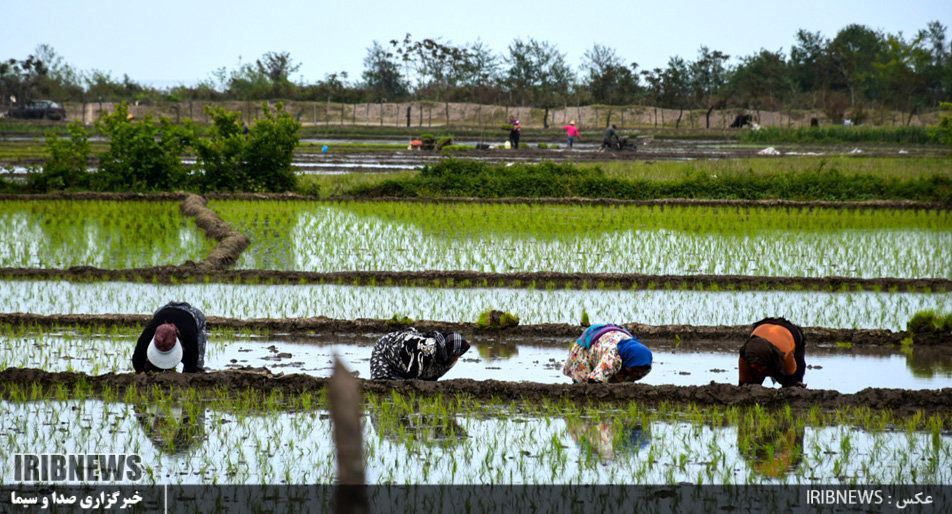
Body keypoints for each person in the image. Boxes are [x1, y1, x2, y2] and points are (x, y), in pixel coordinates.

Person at [132, 302, 208, 373]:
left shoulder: (189, 337)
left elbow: (191, 367)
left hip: (192, 314)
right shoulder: (149, 333)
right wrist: (143, 371)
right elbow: (137, 360)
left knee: (197, 366)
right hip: (163, 310)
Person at [562, 323, 652, 383]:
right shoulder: (612, 358)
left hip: (610, 335)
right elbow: (595, 381)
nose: (639, 374)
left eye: (643, 370)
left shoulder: (641, 359)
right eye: (636, 370)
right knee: (582, 385)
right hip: (588, 343)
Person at [370, 327, 470, 380]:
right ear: (449, 350)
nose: (457, 358)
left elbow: (433, 377)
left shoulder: (449, 358)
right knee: (384, 385)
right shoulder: (426, 349)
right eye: (455, 354)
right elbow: (412, 378)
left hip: (405, 362)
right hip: (386, 349)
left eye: (459, 354)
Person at [738, 317, 806, 388]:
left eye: (761, 367)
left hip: (790, 330)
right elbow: (742, 384)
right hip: (762, 326)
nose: (759, 371)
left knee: (793, 384)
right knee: (749, 384)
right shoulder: (744, 355)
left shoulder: (785, 356)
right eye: (755, 368)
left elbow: (791, 375)